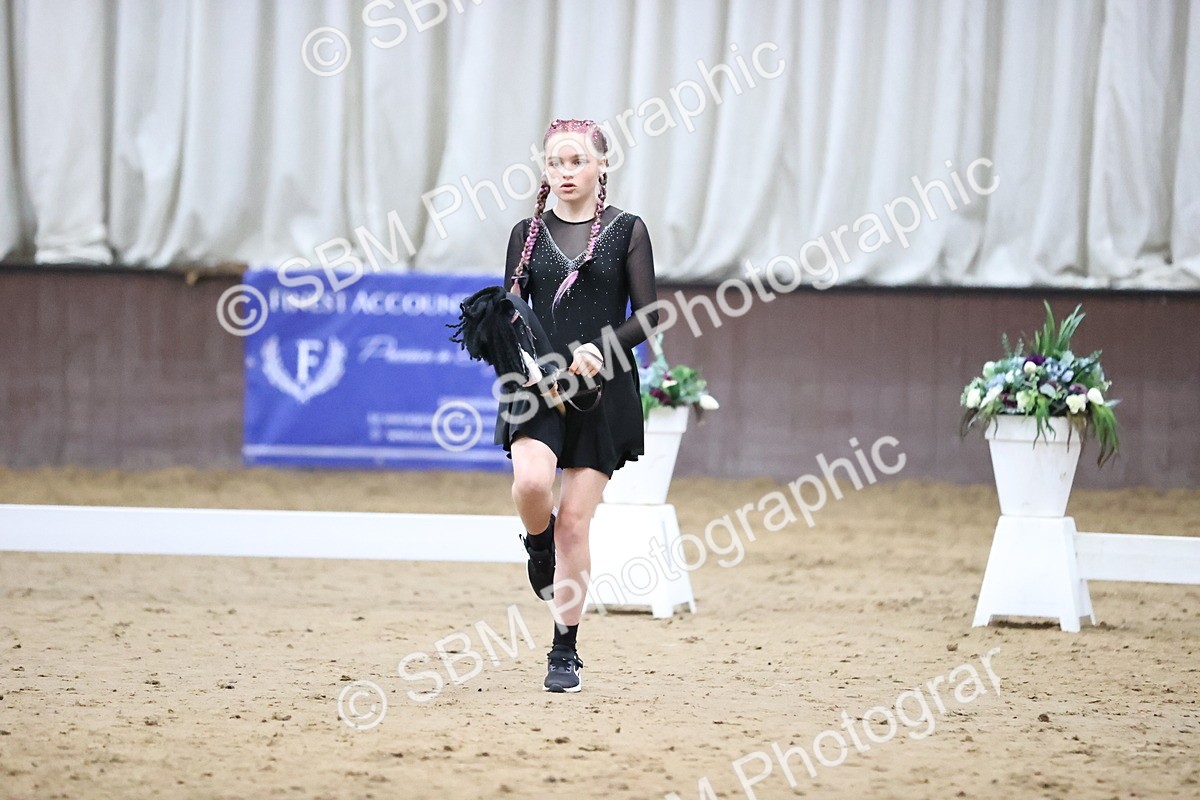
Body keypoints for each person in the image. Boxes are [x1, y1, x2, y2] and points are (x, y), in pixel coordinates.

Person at [495, 118, 660, 693]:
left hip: (602, 389)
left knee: (575, 523)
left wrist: (603, 347)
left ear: (601, 166)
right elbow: (509, 311)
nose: (565, 173)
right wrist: (528, 363)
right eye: (555, 163)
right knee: (532, 487)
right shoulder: (527, 232)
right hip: (537, 385)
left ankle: (564, 650)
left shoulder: (628, 230)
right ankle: (534, 544)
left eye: (576, 162)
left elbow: (652, 314)